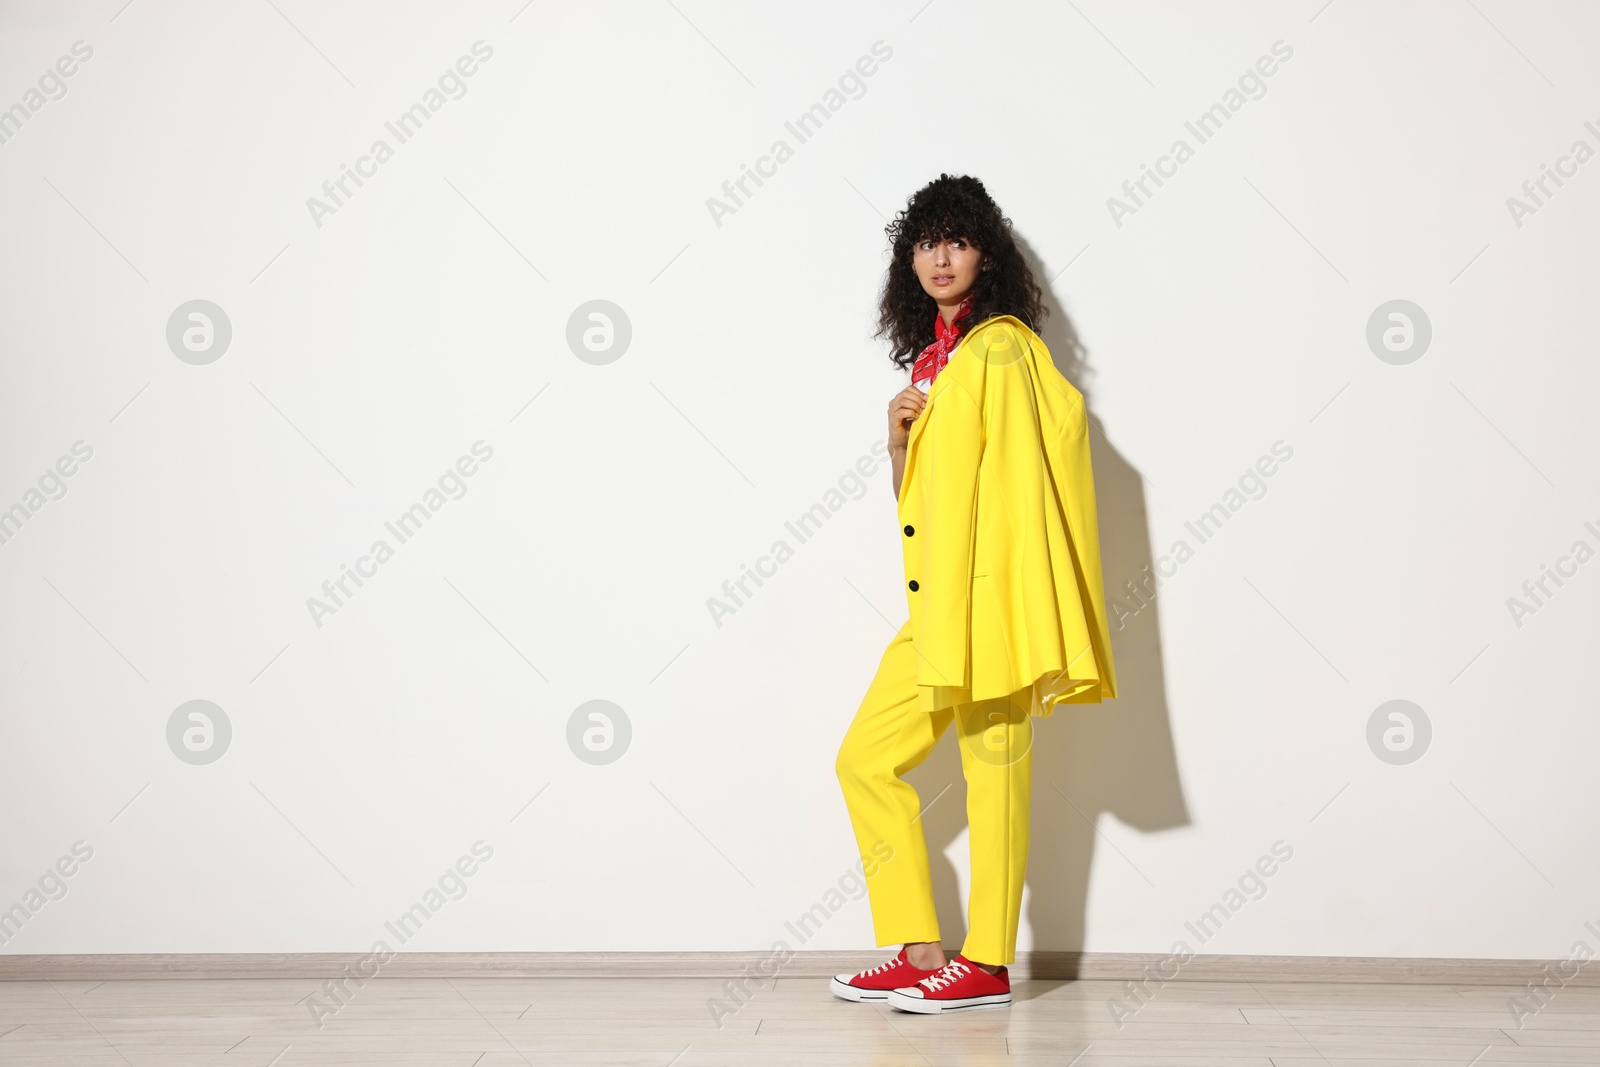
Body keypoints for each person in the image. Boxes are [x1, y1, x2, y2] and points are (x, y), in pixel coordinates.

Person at [829, 174, 1119, 1013]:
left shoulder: (997, 348)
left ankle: (987, 963)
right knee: (864, 759)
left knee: (995, 779)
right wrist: (897, 439)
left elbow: (1026, 485)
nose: (940, 256)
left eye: (957, 239)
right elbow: (919, 509)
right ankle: (923, 947)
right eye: (926, 242)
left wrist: (1020, 607)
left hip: (989, 606)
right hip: (936, 610)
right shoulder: (935, 362)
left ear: (984, 255)